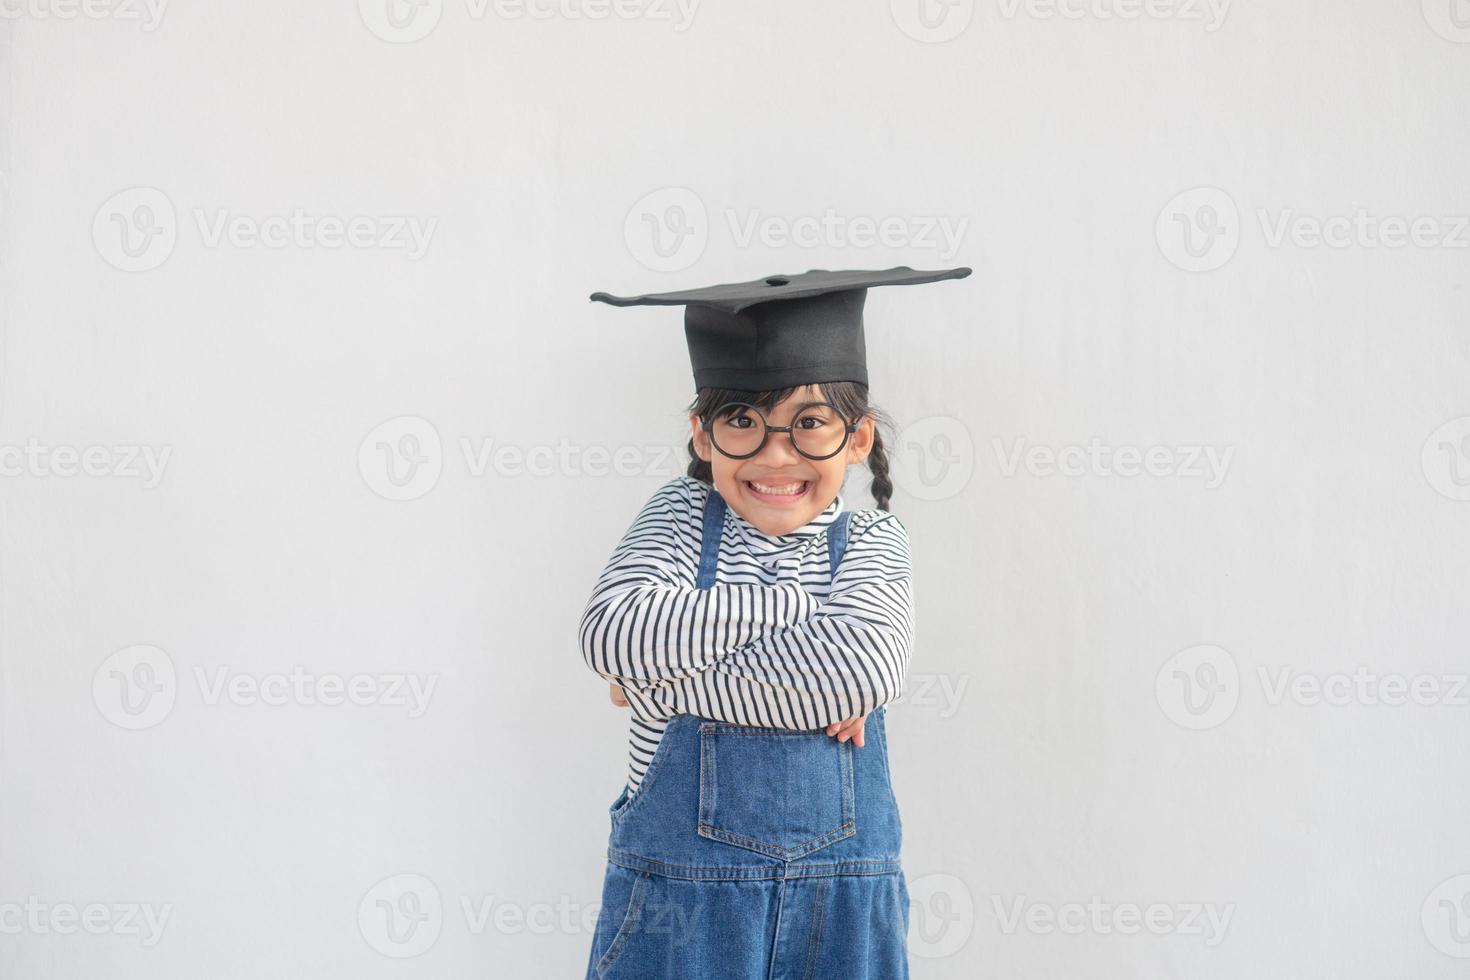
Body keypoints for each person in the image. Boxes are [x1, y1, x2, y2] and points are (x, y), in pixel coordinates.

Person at [578, 265, 970, 979]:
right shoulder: (676, 517)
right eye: (742, 422)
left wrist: (660, 683)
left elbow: (862, 671)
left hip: (845, 916)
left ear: (857, 437)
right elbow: (610, 633)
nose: (775, 454)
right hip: (677, 905)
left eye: (810, 423)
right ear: (703, 435)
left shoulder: (875, 541)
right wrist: (796, 611)